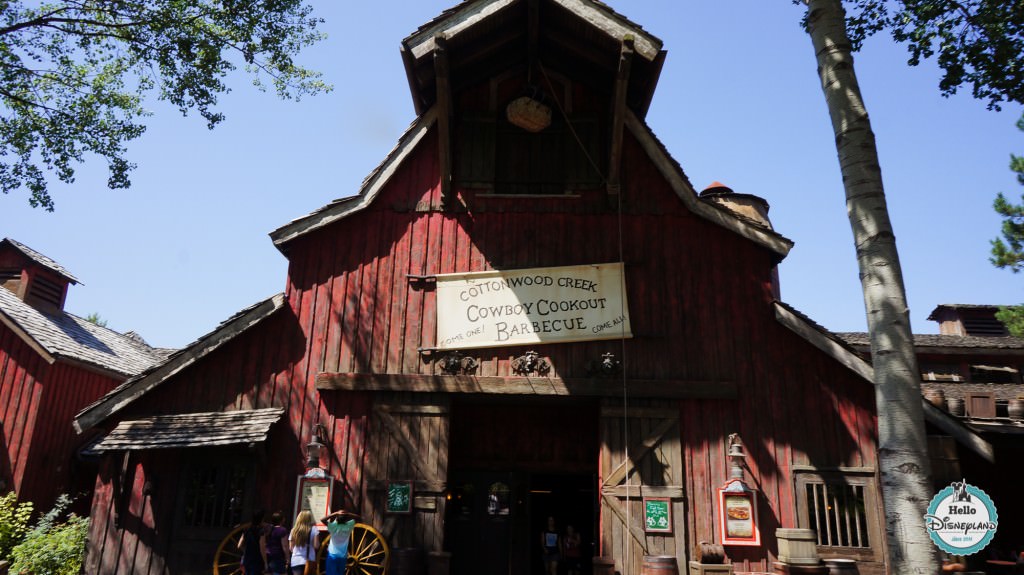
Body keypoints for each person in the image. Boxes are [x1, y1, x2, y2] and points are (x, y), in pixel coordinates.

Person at [321, 509, 360, 575]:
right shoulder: (348, 526)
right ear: (346, 519)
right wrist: (347, 513)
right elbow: (359, 518)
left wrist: (335, 513)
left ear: (337, 518)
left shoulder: (333, 526)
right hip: (343, 556)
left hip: (332, 555)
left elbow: (322, 520)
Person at [238, 510, 268, 575]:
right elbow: (262, 547)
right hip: (256, 559)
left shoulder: (246, 529)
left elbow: (239, 545)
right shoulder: (261, 531)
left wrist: (245, 551)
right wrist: (265, 562)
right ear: (261, 519)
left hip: (247, 558)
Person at [289, 510, 318, 575]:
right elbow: (316, 546)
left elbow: (291, 548)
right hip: (309, 560)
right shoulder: (314, 529)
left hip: (296, 560)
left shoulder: (294, 530)